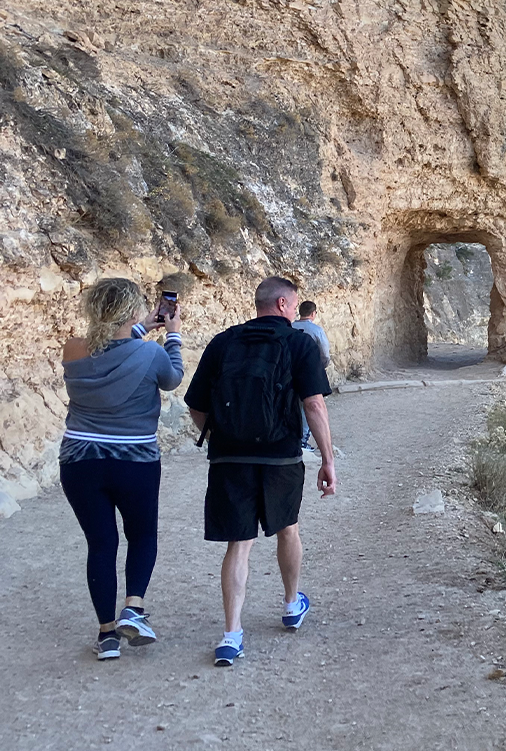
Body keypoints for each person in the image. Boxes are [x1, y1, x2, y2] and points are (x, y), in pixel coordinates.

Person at [185, 275, 336, 667]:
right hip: (280, 457)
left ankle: (231, 634)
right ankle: (290, 604)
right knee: (288, 529)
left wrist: (219, 432)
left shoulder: (223, 342)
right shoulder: (299, 343)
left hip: (229, 458)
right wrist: (327, 459)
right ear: (285, 305)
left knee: (239, 543)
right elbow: (315, 406)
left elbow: (196, 404)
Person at [60, 277, 184, 660]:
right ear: (133, 310)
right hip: (134, 460)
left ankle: (107, 636)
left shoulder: (73, 350)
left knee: (101, 544)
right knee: (142, 535)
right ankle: (133, 607)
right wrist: (173, 335)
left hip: (80, 461)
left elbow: (109, 345)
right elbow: (173, 377)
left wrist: (142, 326)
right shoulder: (150, 354)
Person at [292, 301, 331, 450]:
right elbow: (325, 353)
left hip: (288, 371)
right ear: (313, 313)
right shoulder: (316, 330)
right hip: (309, 371)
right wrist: (319, 367)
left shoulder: (290, 327)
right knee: (310, 405)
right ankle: (303, 440)